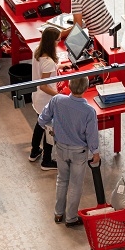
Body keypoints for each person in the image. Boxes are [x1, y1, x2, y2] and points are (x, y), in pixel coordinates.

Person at [38, 76, 101, 227]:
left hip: (60, 147)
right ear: (86, 89)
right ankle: (71, 218)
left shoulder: (57, 100)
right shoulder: (89, 111)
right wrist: (96, 152)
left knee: (61, 179)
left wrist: (54, 127)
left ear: (69, 84)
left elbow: (42, 120)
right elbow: (91, 135)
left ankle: (58, 213)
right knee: (75, 184)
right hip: (78, 152)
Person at [30, 26, 61, 169]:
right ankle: (46, 160)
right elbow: (44, 85)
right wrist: (59, 96)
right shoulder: (48, 62)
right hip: (46, 99)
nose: (59, 42)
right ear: (52, 42)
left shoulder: (38, 51)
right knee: (49, 129)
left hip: (37, 97)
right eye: (58, 40)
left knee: (39, 124)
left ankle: (34, 151)